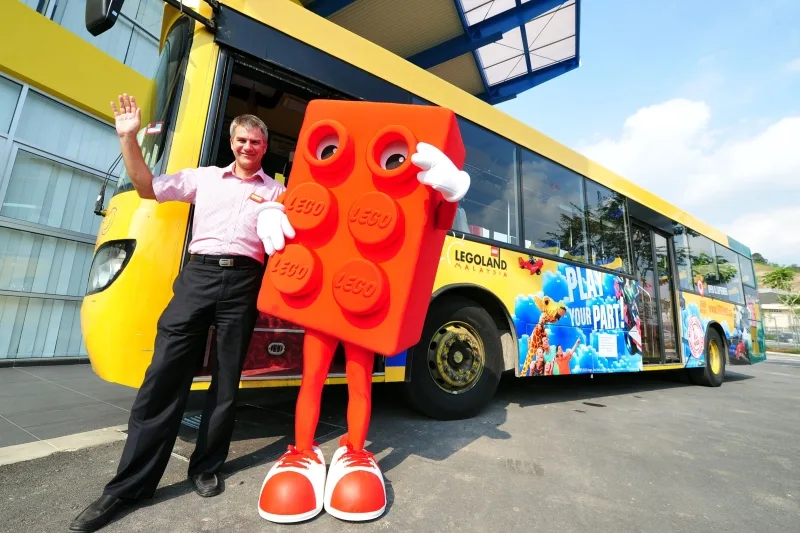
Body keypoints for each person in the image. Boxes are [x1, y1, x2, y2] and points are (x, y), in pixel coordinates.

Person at [69, 94, 294, 532]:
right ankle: (127, 486)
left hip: (246, 281)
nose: (249, 147)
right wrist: (128, 139)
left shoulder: (278, 192)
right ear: (232, 142)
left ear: (265, 148)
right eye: (243, 139)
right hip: (200, 275)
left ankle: (206, 467)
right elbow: (146, 187)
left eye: (257, 142)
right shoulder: (205, 178)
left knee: (227, 383)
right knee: (164, 376)